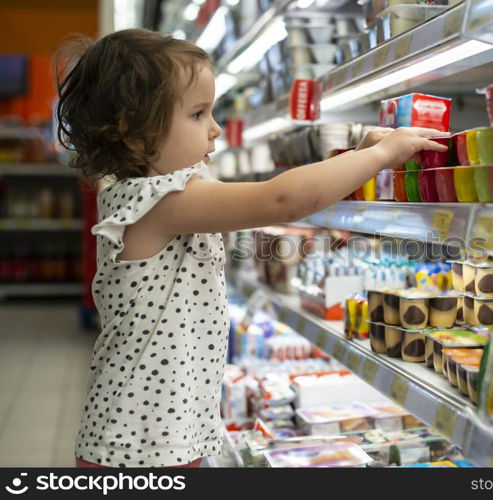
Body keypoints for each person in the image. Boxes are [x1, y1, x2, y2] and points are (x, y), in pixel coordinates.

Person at [56, 28, 446, 468]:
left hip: (164, 431)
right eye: (198, 114)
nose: (216, 129)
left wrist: (353, 155)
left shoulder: (163, 196)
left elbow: (277, 192)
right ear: (133, 132)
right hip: (141, 444)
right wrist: (378, 157)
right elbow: (280, 198)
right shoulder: (155, 201)